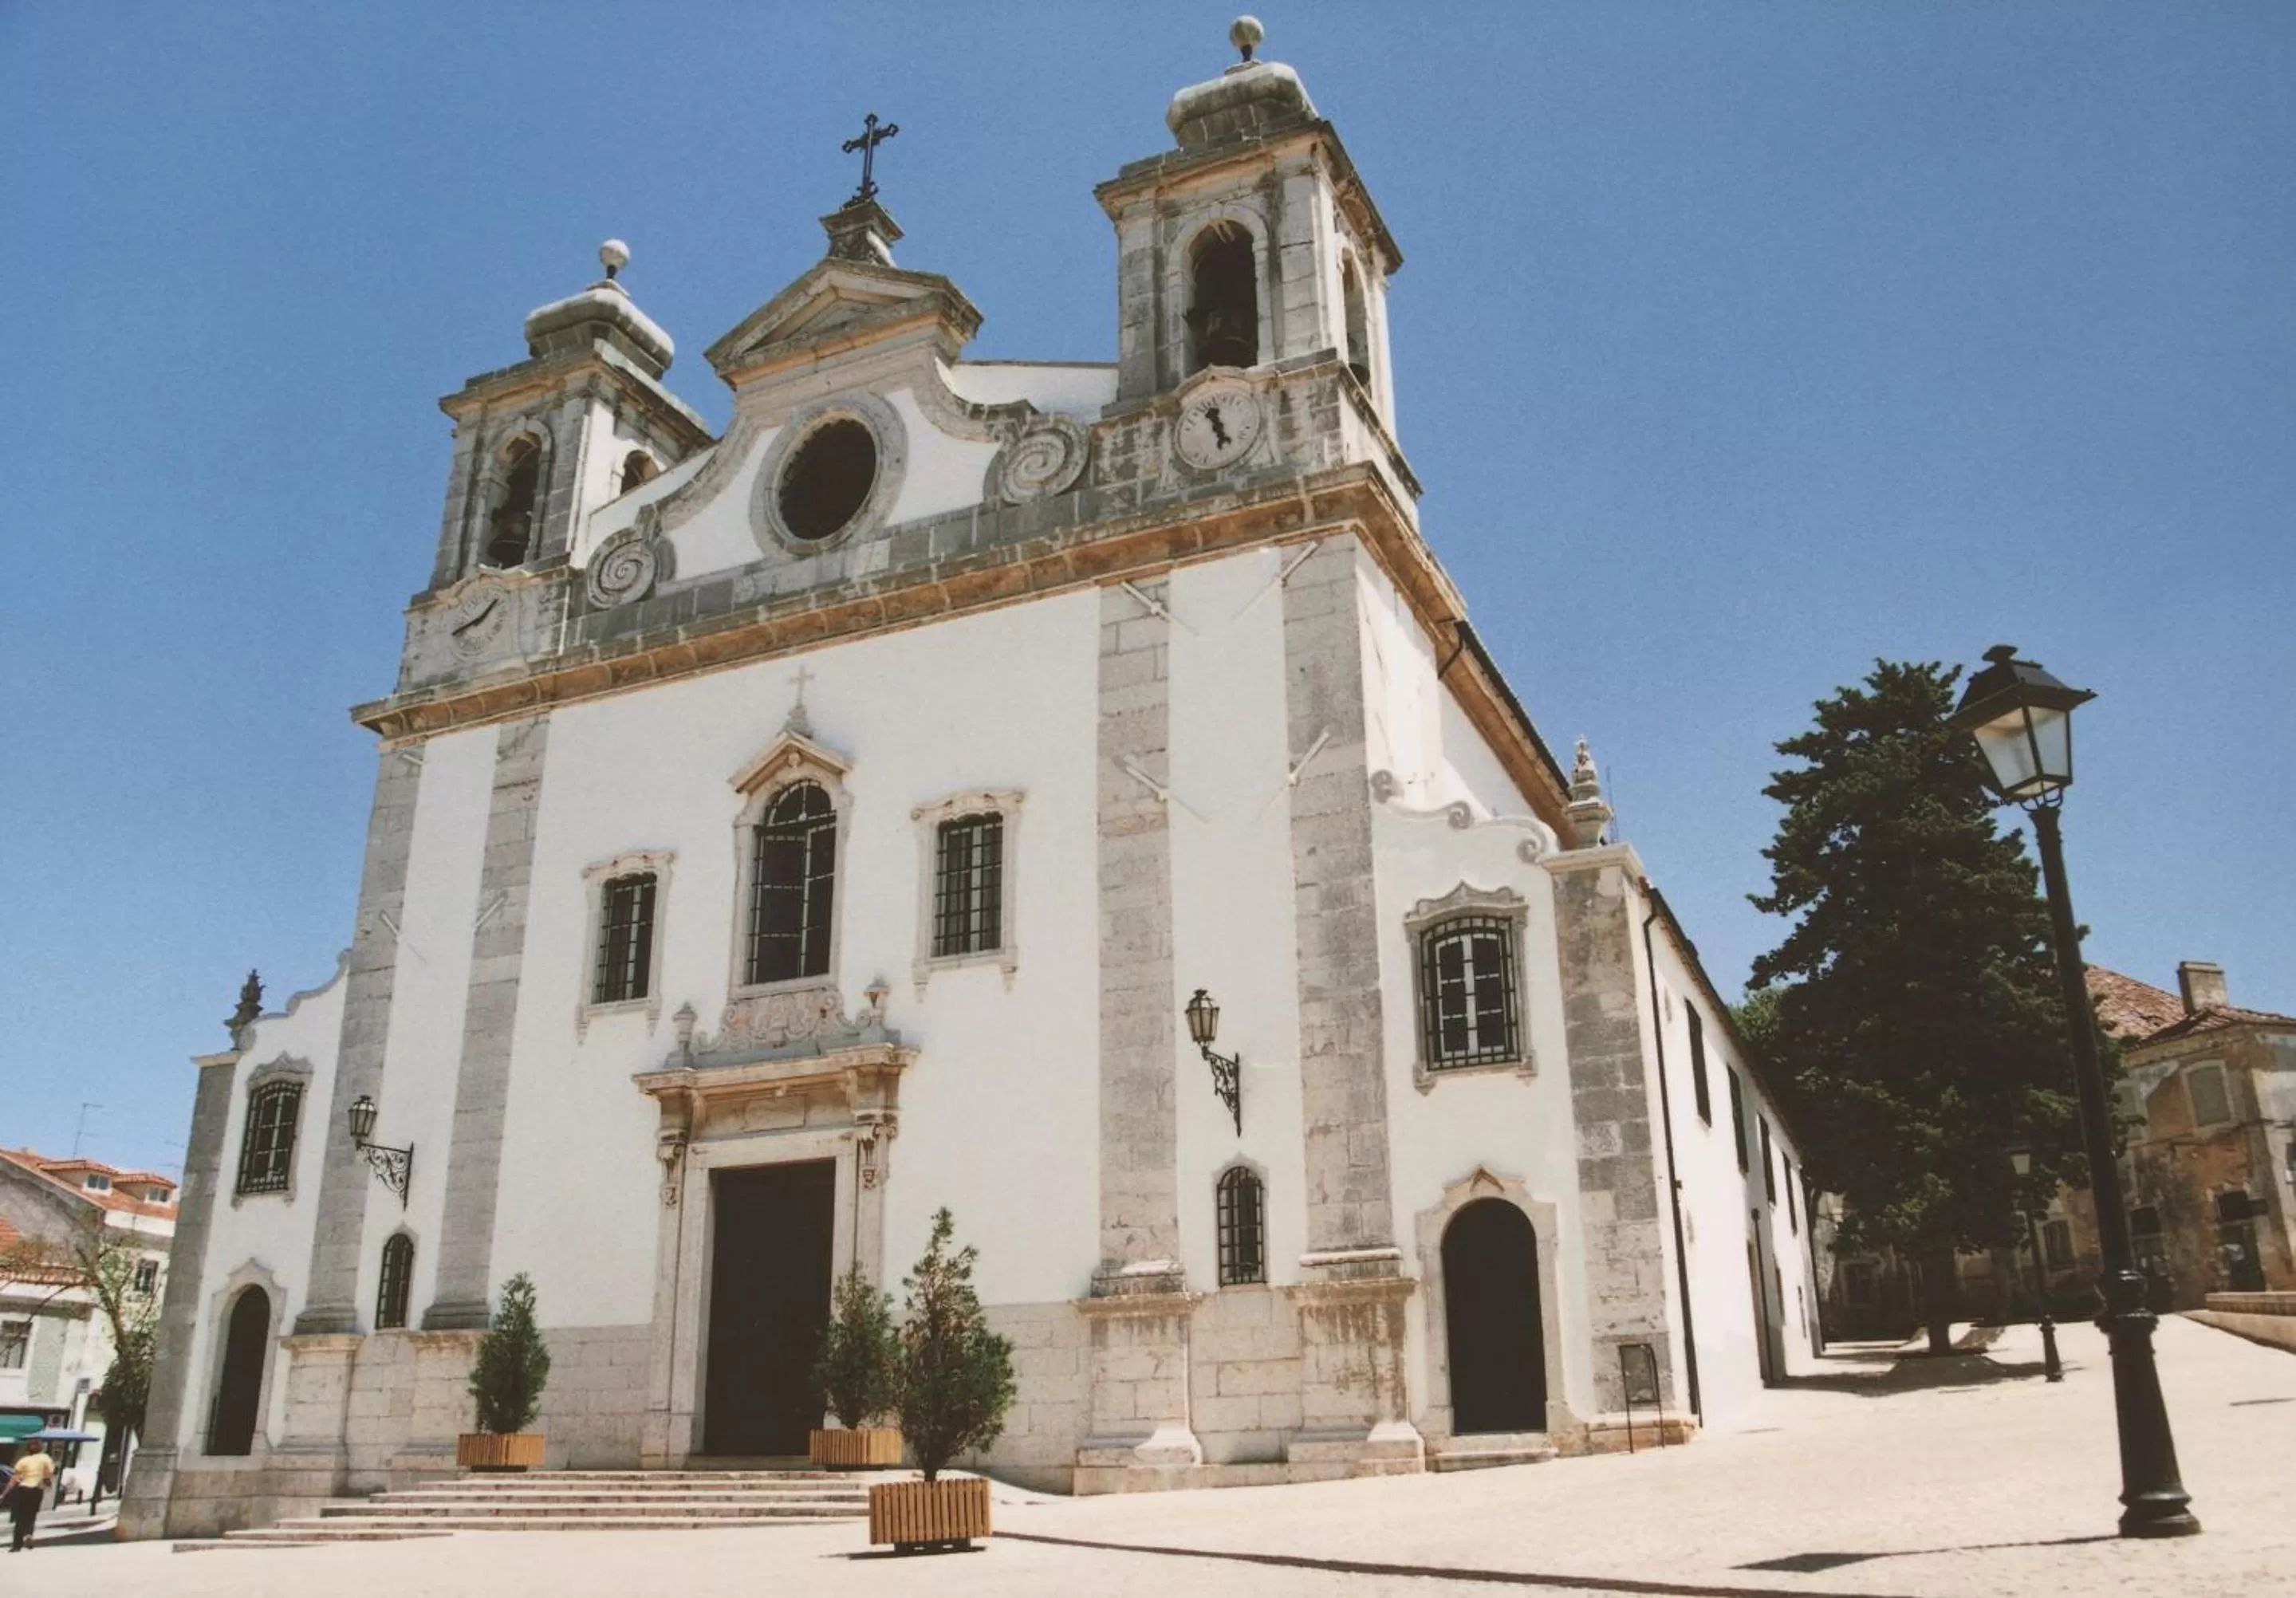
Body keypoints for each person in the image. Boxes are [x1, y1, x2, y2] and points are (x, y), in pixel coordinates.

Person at [2, 1439, 53, 1551]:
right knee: (31, 1514)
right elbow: (49, 1473)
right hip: (37, 1490)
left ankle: (17, 1545)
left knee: (20, 1516)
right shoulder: (45, 1458)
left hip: (24, 1489)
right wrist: (47, 1483)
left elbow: (14, 1479)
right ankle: (28, 1534)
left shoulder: (23, 1460)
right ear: (40, 1448)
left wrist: (4, 1494)